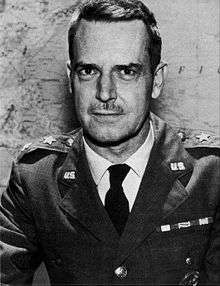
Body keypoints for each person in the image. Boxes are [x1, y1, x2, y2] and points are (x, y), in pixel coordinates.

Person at [0, 0, 220, 285]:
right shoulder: (36, 177)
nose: (105, 93)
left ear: (156, 80)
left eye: (127, 71)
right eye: (89, 71)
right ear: (70, 79)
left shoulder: (211, 174)